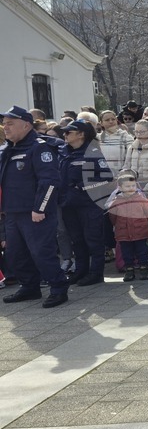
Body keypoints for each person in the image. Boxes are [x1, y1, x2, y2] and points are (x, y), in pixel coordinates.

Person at [1, 106, 70, 308]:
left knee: (41, 253)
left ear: (26, 124)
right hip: (12, 213)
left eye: (10, 123)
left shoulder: (39, 147)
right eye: (4, 123)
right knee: (15, 254)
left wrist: (40, 208)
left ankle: (58, 288)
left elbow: (49, 181)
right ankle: (30, 287)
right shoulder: (8, 149)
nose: (5, 127)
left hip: (35, 213)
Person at [58, 119, 115, 287]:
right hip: (68, 204)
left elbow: (106, 177)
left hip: (88, 204)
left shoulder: (93, 152)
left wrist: (83, 187)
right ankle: (81, 270)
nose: (65, 135)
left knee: (93, 239)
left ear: (81, 134)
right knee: (77, 239)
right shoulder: (64, 152)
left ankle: (96, 273)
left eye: (69, 132)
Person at [107, 171, 148, 281]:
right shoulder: (116, 202)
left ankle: (144, 269)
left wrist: (143, 224)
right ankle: (129, 270)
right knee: (126, 252)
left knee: (142, 251)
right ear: (120, 188)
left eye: (133, 186)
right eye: (127, 186)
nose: (131, 188)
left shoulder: (142, 200)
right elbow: (112, 217)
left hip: (140, 231)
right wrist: (119, 226)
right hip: (123, 232)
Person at [124, 120, 148, 193]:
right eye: (136, 132)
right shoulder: (132, 148)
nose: (138, 134)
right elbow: (126, 166)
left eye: (142, 132)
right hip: (132, 185)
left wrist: (145, 190)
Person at [98, 110, 131, 175]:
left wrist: (124, 171)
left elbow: (130, 155)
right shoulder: (98, 138)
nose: (111, 122)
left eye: (113, 119)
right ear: (101, 123)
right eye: (107, 120)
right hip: (104, 175)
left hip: (121, 175)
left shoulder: (125, 136)